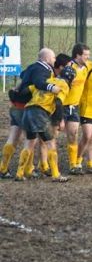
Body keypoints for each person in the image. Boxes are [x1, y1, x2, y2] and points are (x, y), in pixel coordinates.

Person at [1, 48, 60, 179]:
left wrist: (17, 88)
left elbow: (23, 77)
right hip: (27, 107)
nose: (54, 60)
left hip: (16, 105)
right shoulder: (43, 69)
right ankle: (27, 170)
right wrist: (52, 87)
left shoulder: (32, 67)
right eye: (53, 57)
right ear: (46, 58)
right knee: (30, 139)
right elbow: (40, 82)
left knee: (13, 137)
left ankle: (3, 168)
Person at [15, 65, 75, 182]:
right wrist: (59, 121)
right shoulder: (64, 86)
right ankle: (56, 175)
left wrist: (15, 92)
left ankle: (19, 173)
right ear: (71, 79)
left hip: (28, 111)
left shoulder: (48, 80)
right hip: (40, 112)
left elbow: (27, 90)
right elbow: (58, 102)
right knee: (50, 143)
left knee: (29, 143)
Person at [62, 43, 92, 175]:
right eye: (85, 55)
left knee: (73, 134)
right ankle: (43, 164)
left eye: (88, 55)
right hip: (61, 106)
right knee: (51, 136)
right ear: (77, 55)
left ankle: (73, 165)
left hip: (74, 107)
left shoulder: (87, 67)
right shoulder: (68, 67)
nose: (87, 57)